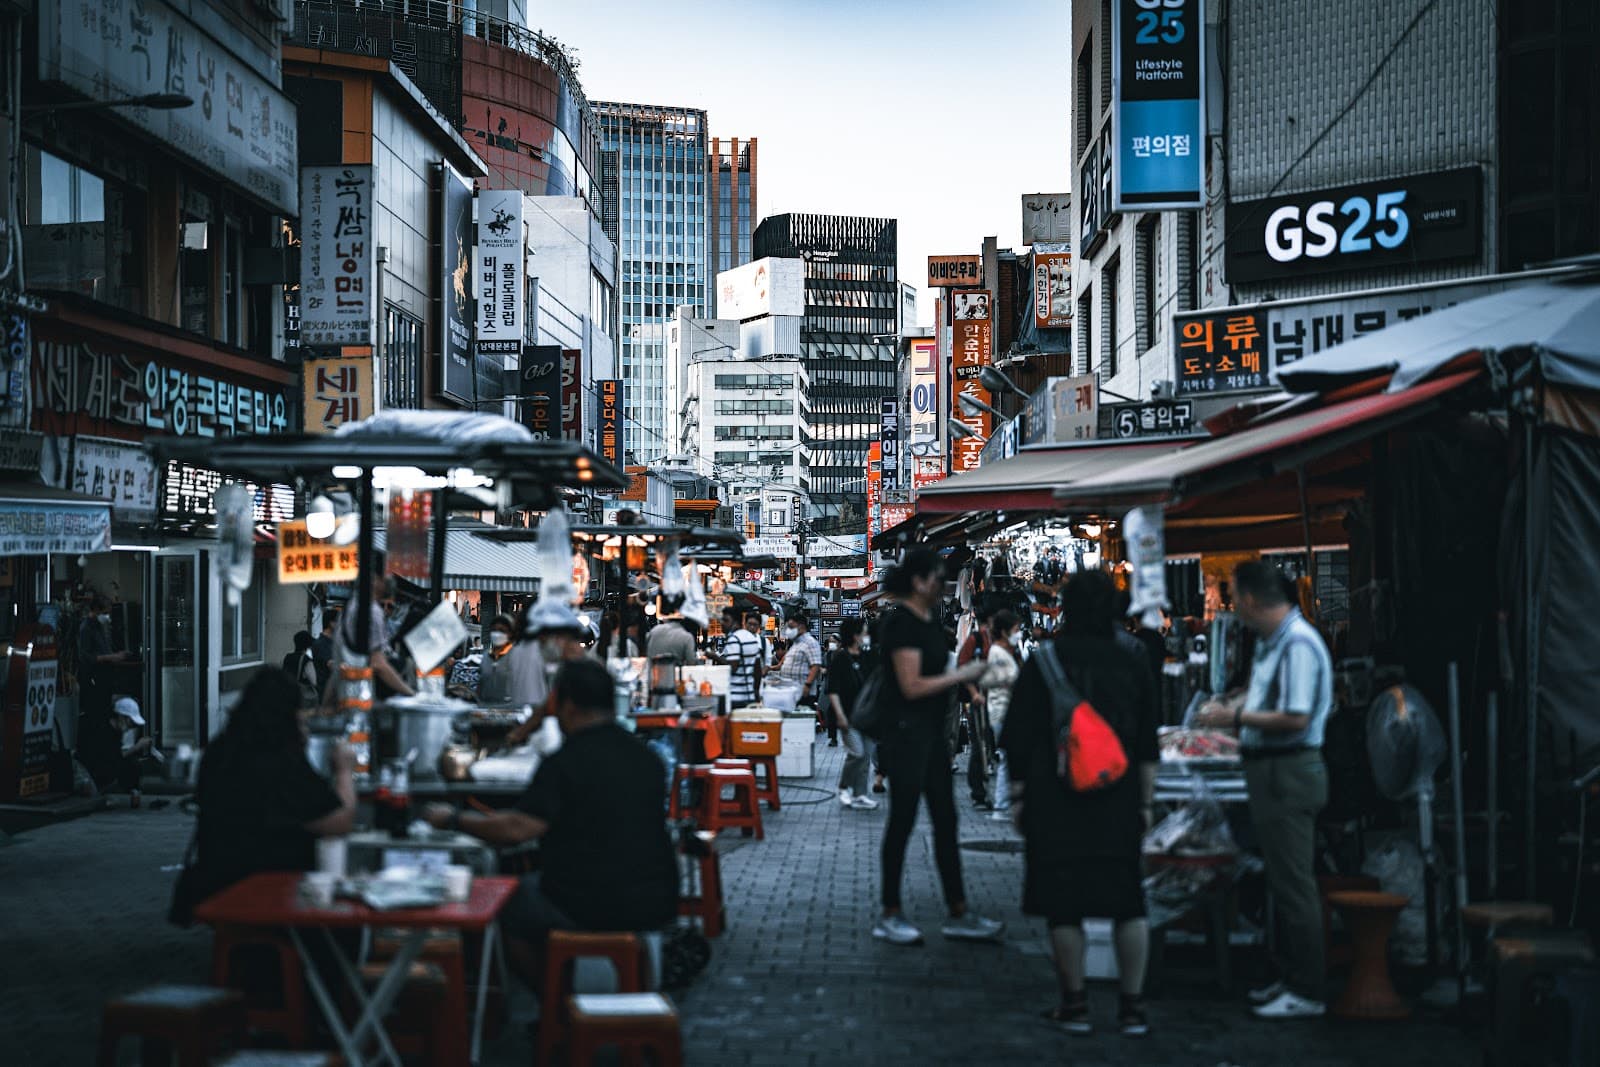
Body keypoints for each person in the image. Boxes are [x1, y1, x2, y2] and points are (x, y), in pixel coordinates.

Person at [423, 660, 678, 985]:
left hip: (592, 900)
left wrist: (453, 819)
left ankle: (555, 1001)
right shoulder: (646, 758)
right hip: (659, 897)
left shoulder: (565, 762)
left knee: (506, 907)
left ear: (567, 705)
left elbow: (518, 830)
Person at [1001, 570, 1159, 1038]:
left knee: (1063, 904)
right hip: (1120, 793)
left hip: (1057, 797)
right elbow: (1149, 741)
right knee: (1128, 901)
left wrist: (1018, 796)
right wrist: (1147, 805)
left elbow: (1019, 738)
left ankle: (1074, 1004)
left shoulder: (1045, 661)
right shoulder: (1134, 659)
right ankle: (1132, 1008)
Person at [1192, 561, 1334, 1020]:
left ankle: (1309, 989)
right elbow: (1265, 699)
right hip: (1272, 771)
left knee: (1294, 885)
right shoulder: (1275, 644)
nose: (1233, 606)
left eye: (1234, 596)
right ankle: (1290, 976)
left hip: (1289, 771)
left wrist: (1232, 718)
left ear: (1253, 599)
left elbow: (1294, 717)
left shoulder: (1297, 644)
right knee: (1282, 880)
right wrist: (1235, 705)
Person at [873, 549, 1003, 947]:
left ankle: (958, 911)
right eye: (937, 578)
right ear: (918, 581)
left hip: (929, 735)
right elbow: (911, 686)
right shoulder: (901, 623)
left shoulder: (929, 621)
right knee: (903, 820)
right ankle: (890, 912)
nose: (944, 585)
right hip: (905, 735)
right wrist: (962, 675)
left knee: (946, 820)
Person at [193, 669, 357, 900]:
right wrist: (344, 770)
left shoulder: (220, 749)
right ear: (290, 714)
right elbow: (339, 821)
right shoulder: (280, 756)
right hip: (271, 883)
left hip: (215, 877)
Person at [322, 584, 415, 704]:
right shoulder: (370, 612)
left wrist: (325, 707)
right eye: (382, 605)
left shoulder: (350, 612)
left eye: (390, 607)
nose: (385, 610)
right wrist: (410, 693)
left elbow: (337, 673)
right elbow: (378, 665)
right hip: (367, 700)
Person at [827, 619, 877, 811]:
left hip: (868, 716)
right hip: (848, 715)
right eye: (864, 632)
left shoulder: (868, 656)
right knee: (857, 753)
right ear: (855, 635)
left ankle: (860, 794)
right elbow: (833, 690)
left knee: (866, 758)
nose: (866, 636)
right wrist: (839, 715)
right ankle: (843, 786)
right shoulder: (840, 658)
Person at [981, 610, 1023, 822]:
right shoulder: (997, 653)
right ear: (1005, 632)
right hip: (1001, 711)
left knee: (1008, 757)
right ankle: (1001, 805)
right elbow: (1003, 681)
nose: (1019, 634)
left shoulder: (1006, 652)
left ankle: (1004, 804)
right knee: (1007, 757)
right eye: (1016, 630)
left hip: (1006, 711)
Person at [957, 605, 995, 808]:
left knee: (989, 743)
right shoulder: (976, 639)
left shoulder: (999, 639)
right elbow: (962, 666)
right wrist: (974, 694)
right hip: (980, 700)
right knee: (979, 744)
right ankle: (978, 791)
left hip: (997, 700)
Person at [777, 611, 824, 738]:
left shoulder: (810, 642)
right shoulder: (796, 644)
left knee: (802, 732)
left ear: (801, 626)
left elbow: (816, 665)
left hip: (803, 693)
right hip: (792, 693)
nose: (788, 630)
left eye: (791, 627)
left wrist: (807, 685)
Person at [720, 607, 764, 708]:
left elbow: (732, 667)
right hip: (749, 696)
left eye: (726, 620)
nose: (722, 623)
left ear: (735, 622)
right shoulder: (751, 638)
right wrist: (756, 692)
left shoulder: (734, 639)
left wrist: (714, 657)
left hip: (735, 697)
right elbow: (757, 670)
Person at [475, 614, 519, 705]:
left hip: (509, 708)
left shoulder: (516, 656)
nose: (497, 634)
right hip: (485, 708)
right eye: (494, 630)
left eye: (502, 630)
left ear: (510, 634)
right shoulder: (486, 656)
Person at [282, 631, 320, 709]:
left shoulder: (288, 657)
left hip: (287, 693)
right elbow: (314, 681)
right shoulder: (306, 660)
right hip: (301, 697)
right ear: (308, 645)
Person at [310, 611, 338, 691]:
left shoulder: (334, 642)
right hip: (325, 690)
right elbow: (332, 665)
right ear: (331, 623)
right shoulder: (321, 643)